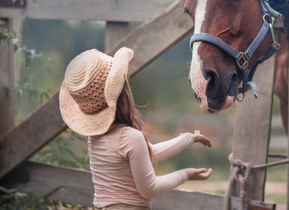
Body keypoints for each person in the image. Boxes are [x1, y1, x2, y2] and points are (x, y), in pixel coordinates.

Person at [59, 47, 212, 210]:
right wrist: (185, 174)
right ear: (122, 91)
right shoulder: (130, 137)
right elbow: (149, 189)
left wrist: (188, 139)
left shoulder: (96, 136)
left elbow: (146, 153)